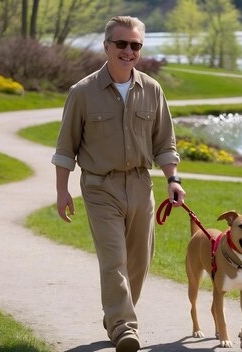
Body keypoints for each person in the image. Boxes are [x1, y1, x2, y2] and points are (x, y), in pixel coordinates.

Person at [51, 15, 186, 352]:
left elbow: (165, 143)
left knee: (139, 262)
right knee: (114, 260)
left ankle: (115, 315)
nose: (129, 51)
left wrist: (173, 180)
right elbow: (66, 148)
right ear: (107, 46)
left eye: (135, 45)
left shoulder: (152, 90)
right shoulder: (82, 92)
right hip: (100, 187)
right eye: (122, 44)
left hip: (141, 186)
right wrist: (61, 190)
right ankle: (125, 327)